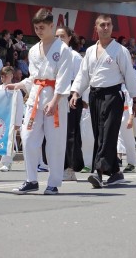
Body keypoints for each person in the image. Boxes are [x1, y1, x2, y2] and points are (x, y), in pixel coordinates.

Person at [70, 14, 136, 189]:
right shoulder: (89, 51)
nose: (105, 28)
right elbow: (83, 74)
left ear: (112, 27)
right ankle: (116, 172)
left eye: (108, 25)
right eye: (102, 25)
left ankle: (98, 171)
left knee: (108, 133)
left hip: (113, 95)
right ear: (96, 28)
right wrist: (75, 92)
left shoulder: (120, 50)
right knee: (99, 133)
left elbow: (129, 75)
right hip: (95, 95)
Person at [7, 8, 72, 195]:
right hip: (36, 98)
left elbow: (64, 78)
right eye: (36, 28)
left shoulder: (63, 50)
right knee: (28, 139)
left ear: (52, 26)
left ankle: (53, 182)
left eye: (42, 27)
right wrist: (18, 84)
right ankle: (31, 179)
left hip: (55, 99)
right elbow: (34, 77)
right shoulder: (34, 49)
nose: (39, 31)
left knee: (54, 142)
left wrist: (54, 100)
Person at [56, 25, 84, 181]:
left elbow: (81, 78)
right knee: (58, 133)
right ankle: (60, 165)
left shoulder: (75, 56)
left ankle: (71, 167)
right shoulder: (53, 55)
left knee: (71, 133)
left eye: (62, 36)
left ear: (69, 38)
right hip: (56, 94)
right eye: (57, 36)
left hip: (71, 94)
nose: (59, 39)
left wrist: (77, 95)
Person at [0, 66, 24, 172]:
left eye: (5, 76)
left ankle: (6, 162)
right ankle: (10, 155)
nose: (3, 78)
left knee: (9, 140)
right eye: (1, 76)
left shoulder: (17, 90)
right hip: (0, 119)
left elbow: (20, 106)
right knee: (1, 140)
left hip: (11, 118)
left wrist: (18, 122)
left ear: (11, 76)